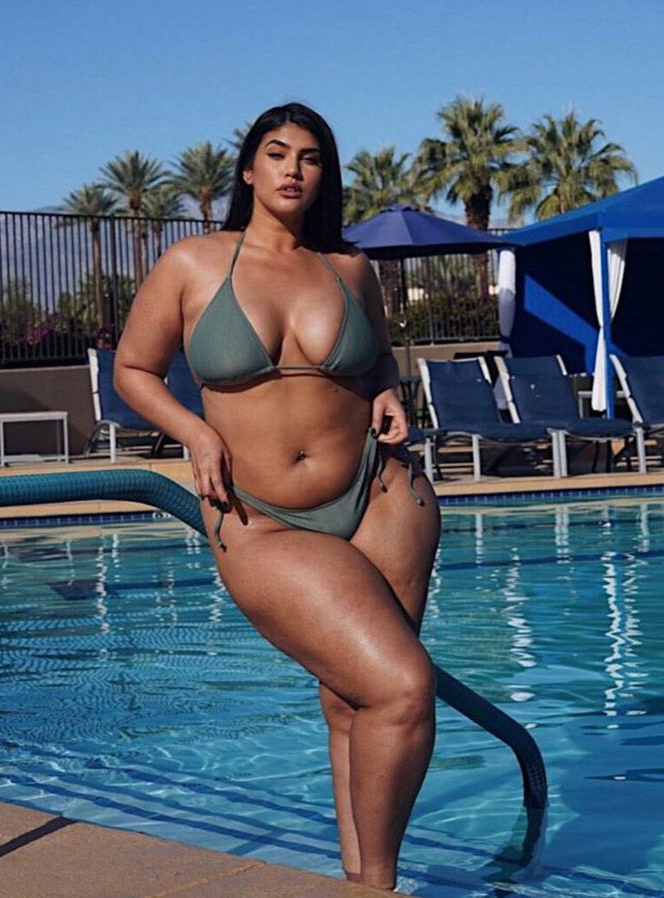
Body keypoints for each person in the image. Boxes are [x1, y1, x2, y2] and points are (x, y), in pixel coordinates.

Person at [114, 102, 441, 891]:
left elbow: (378, 361)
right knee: (403, 690)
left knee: (355, 700)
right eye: (277, 152)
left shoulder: (349, 268)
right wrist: (196, 433)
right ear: (248, 169)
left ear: (325, 175)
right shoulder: (193, 263)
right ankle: (380, 888)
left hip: (382, 494)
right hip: (260, 516)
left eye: (311, 157)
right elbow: (133, 371)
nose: (294, 168)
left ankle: (360, 878)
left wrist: (387, 390)